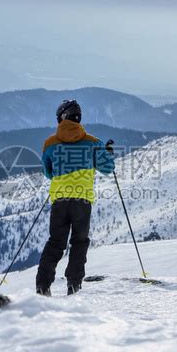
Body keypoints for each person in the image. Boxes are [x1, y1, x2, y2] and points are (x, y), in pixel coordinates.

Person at [36, 99, 115, 296]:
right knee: (79, 242)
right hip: (82, 201)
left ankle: (43, 286)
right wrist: (108, 154)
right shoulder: (94, 143)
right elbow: (108, 168)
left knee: (55, 243)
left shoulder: (50, 143)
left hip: (60, 201)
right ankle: (74, 284)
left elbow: (48, 173)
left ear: (62, 117)